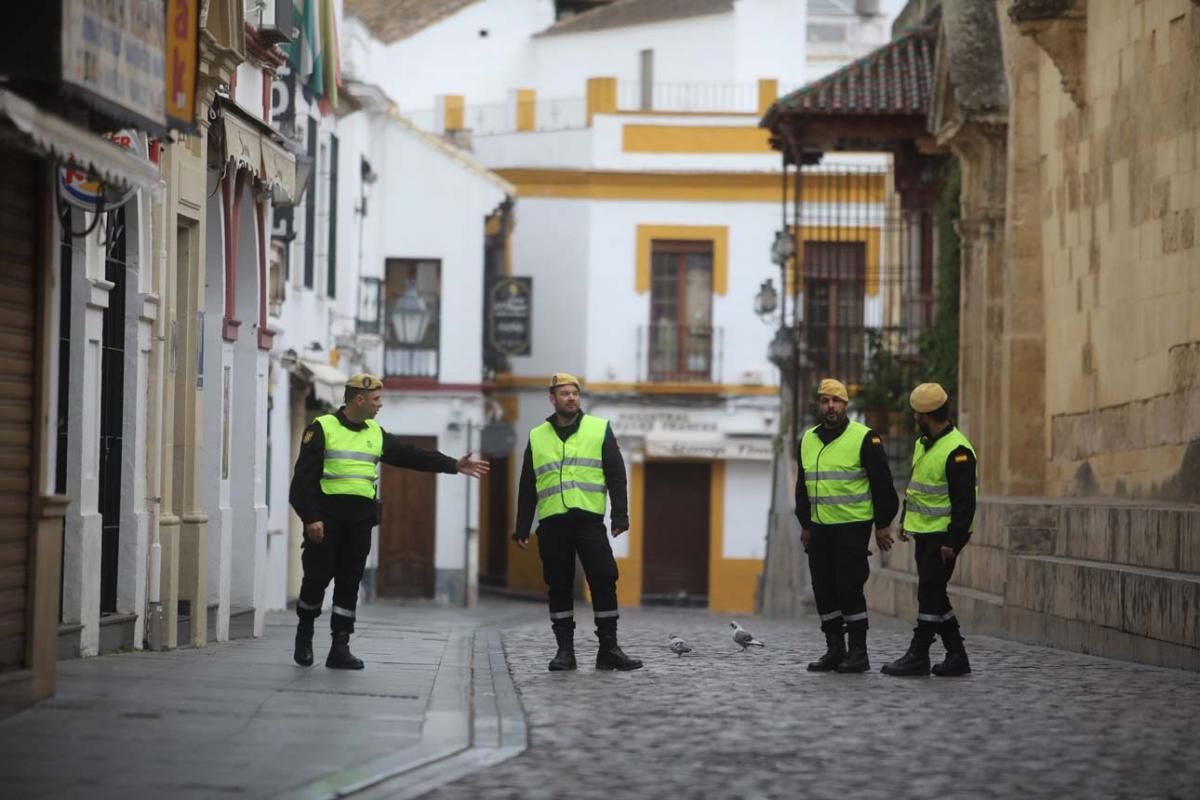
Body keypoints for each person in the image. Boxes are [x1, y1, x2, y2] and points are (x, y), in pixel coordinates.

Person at [289, 373, 488, 669]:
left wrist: (452, 465)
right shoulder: (321, 429)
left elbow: (411, 455)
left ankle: (339, 647)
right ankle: (304, 635)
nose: (380, 404)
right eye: (376, 399)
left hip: (359, 523)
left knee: (349, 583)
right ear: (359, 399)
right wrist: (311, 518)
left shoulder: (375, 433)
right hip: (326, 523)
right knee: (316, 581)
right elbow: (302, 483)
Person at [512, 372, 642, 672]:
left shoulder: (599, 429)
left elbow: (616, 474)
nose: (571, 398)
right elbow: (527, 484)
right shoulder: (536, 436)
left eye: (575, 393)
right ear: (552, 399)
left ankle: (608, 648)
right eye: (564, 394)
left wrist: (620, 515)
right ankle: (564, 651)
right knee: (558, 585)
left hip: (588, 521)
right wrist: (522, 526)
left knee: (604, 576)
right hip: (553, 523)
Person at [795, 378, 899, 674]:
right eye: (825, 401)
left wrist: (882, 525)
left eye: (836, 401)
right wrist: (805, 524)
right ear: (819, 405)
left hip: (852, 527)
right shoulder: (808, 439)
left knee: (849, 588)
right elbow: (802, 487)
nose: (830, 407)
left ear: (845, 405)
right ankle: (834, 649)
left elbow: (883, 485)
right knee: (823, 589)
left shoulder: (865, 438)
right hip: (819, 529)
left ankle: (858, 651)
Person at [881, 382, 976, 677]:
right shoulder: (924, 444)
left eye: (915, 414)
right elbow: (918, 489)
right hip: (926, 533)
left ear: (925, 415)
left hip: (944, 537)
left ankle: (918, 653)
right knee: (935, 595)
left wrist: (953, 541)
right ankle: (957, 655)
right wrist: (906, 521)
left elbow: (965, 503)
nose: (913, 419)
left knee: (929, 593)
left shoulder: (957, 450)